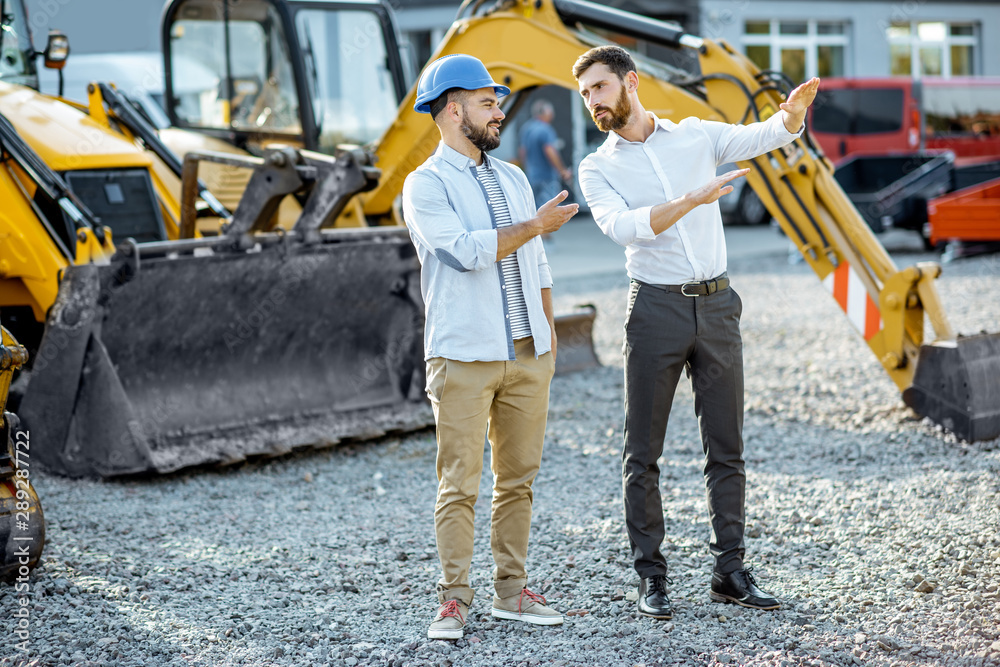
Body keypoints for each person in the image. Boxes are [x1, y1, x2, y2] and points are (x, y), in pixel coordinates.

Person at [573, 45, 820, 619]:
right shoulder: (597, 165)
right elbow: (622, 229)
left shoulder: (694, 136)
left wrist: (792, 115)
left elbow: (764, 136)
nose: (593, 103)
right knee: (643, 452)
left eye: (600, 89)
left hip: (716, 305)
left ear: (630, 82)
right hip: (654, 309)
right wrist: (691, 199)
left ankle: (730, 572)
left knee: (727, 446)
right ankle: (651, 578)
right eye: (586, 94)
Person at [402, 53, 579, 640]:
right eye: (487, 102)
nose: (499, 111)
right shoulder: (424, 184)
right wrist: (533, 226)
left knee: (518, 481)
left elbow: (539, 263)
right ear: (453, 110)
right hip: (462, 355)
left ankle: (511, 592)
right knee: (459, 483)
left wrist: (547, 344)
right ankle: (453, 600)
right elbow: (464, 251)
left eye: (497, 101)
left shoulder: (514, 178)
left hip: (529, 353)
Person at [518, 99, 574, 208]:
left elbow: (522, 151)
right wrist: (562, 171)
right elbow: (550, 151)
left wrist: (526, 169)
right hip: (547, 177)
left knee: (535, 211)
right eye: (550, 113)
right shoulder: (546, 129)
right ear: (545, 113)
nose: (551, 116)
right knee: (550, 211)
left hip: (531, 177)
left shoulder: (526, 128)